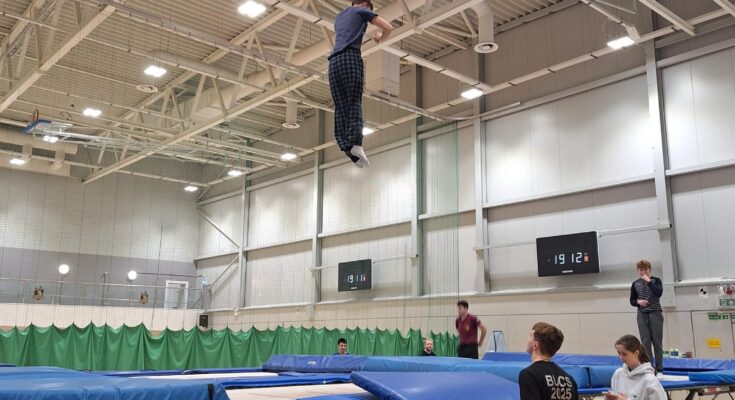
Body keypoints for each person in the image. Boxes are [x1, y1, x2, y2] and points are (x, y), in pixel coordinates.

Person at [328, 0, 392, 168]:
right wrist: (379, 38)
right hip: (350, 57)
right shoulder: (362, 11)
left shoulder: (339, 16)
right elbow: (388, 27)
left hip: (334, 62)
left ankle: (347, 147)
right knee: (354, 101)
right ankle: (356, 143)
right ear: (365, 5)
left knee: (341, 107)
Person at [519, 322, 578, 400]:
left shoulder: (528, 375)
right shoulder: (569, 379)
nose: (527, 339)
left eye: (530, 336)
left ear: (535, 345)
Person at [629, 259, 664, 376]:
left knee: (657, 342)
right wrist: (639, 302)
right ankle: (650, 368)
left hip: (655, 313)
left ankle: (660, 369)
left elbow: (658, 293)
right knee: (645, 342)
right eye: (640, 270)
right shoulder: (635, 284)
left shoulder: (656, 281)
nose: (642, 272)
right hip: (642, 313)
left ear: (649, 270)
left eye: (645, 269)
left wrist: (649, 281)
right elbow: (632, 300)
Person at [605, 335, 666, 400]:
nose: (621, 357)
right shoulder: (618, 374)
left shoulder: (649, 380)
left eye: (624, 354)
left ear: (636, 353)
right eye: (619, 353)